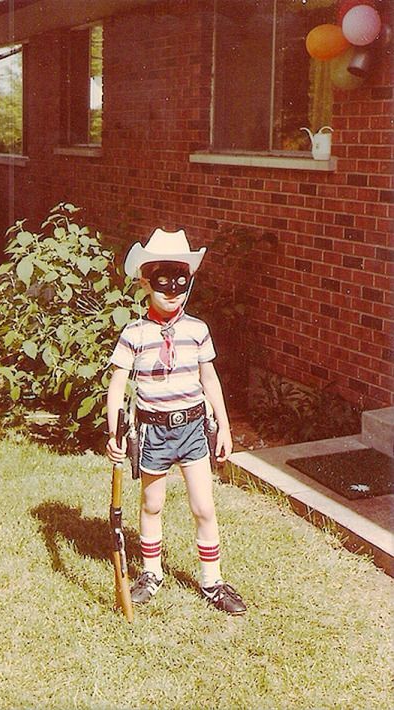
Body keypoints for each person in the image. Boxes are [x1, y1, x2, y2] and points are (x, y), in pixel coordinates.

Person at [106, 227, 246, 615]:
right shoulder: (135, 334)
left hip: (192, 430)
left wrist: (224, 425)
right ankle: (151, 573)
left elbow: (209, 379)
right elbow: (117, 385)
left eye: (181, 282)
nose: (173, 291)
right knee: (152, 504)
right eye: (163, 281)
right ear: (145, 282)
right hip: (153, 431)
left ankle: (212, 580)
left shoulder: (197, 331)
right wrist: (115, 431)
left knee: (204, 507)